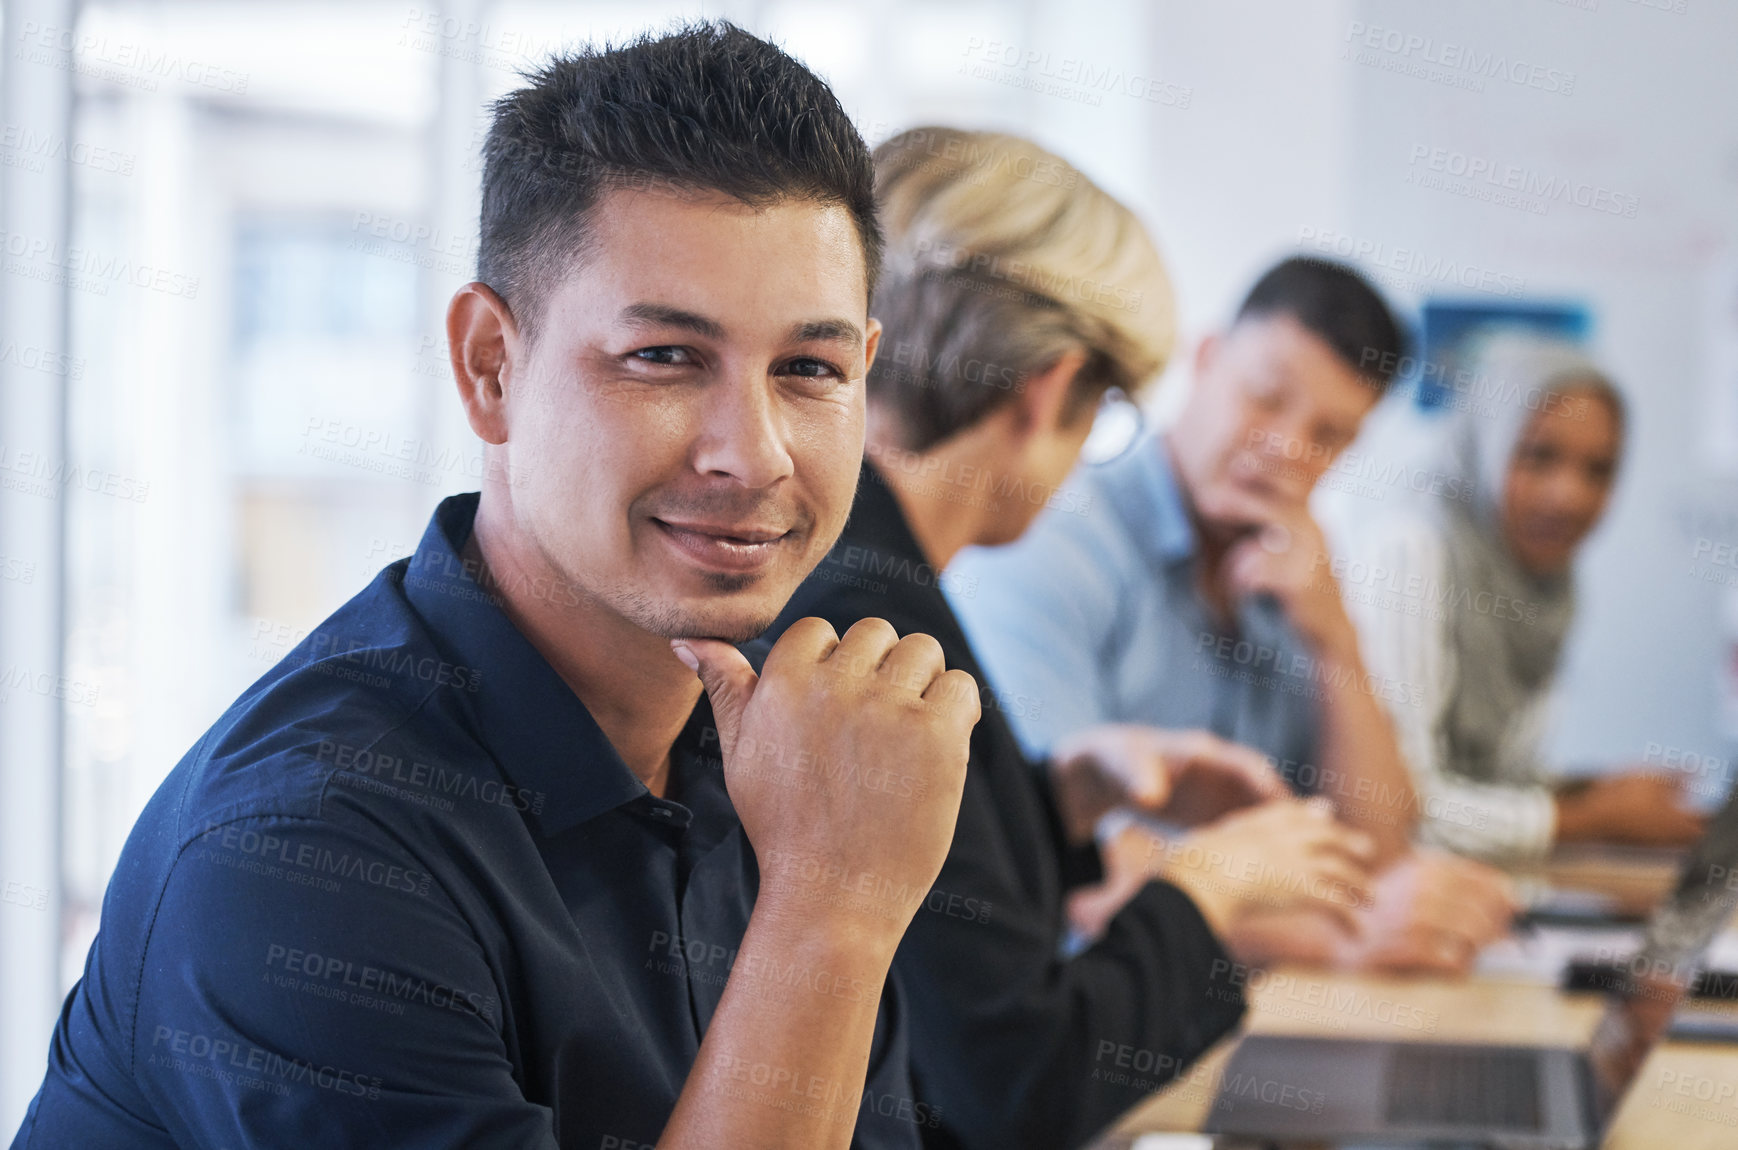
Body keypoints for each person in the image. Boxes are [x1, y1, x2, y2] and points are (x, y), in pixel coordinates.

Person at [12, 25, 981, 1150]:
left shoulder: (785, 754)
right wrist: (829, 909)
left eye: (808, 371)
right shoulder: (303, 850)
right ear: (488, 366)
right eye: (664, 357)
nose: (752, 454)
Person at [769, 129, 1384, 1150]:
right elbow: (1017, 1086)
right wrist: (1213, 885)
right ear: (1051, 388)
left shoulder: (868, 573)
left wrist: (1066, 796)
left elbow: (945, 919)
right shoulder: (872, 620)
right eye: (1104, 408)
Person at [950, 256, 1518, 973]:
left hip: (1240, 1013)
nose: (1287, 449)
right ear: (1208, 357)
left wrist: (1335, 640)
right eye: (1266, 398)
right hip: (1080, 1018)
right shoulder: (1049, 543)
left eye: (1329, 436)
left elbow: (1374, 849)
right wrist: (1340, 938)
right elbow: (1063, 871)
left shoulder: (1292, 579)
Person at [1318, 330, 1706, 862]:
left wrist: (1594, 792)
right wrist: (1594, 819)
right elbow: (1399, 802)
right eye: (1538, 456)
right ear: (1487, 440)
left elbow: (1494, 775)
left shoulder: (1548, 581)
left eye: (1599, 470)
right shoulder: (1410, 549)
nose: (1568, 495)